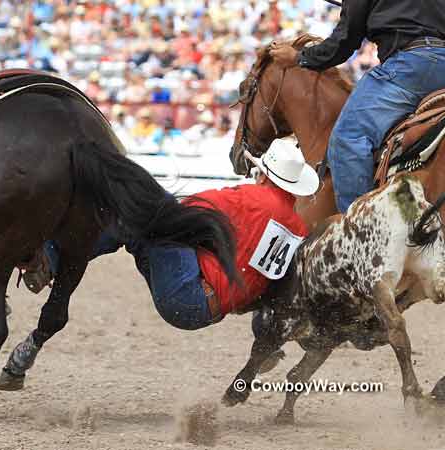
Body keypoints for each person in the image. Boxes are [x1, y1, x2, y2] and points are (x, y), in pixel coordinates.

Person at [32, 139, 318, 330]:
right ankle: (52, 260)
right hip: (210, 308)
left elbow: (185, 210)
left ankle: (49, 261)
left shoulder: (251, 198)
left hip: (188, 291)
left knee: (137, 215)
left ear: (265, 175)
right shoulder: (297, 228)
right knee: (137, 230)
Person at [269, 1, 445, 213]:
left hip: (409, 66)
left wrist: (299, 57)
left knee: (348, 138)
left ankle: (357, 229)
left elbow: (343, 42)